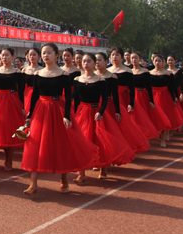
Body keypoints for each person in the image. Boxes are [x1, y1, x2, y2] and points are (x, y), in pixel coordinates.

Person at [21, 43, 99, 195]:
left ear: (56, 55)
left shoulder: (63, 74)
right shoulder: (38, 74)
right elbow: (35, 96)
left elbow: (68, 97)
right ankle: (33, 184)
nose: (46, 55)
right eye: (44, 53)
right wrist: (30, 115)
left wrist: (67, 115)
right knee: (35, 144)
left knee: (61, 144)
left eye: (49, 53)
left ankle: (64, 180)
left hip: (58, 110)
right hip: (41, 110)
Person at [72, 53, 135, 185]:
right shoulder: (77, 80)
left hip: (97, 112)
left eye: (89, 61)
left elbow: (106, 98)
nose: (86, 63)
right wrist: (72, 115)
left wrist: (101, 112)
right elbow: (76, 100)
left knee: (100, 140)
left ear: (94, 63)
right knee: (82, 141)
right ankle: (81, 174)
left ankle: (103, 167)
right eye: (84, 61)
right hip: (82, 113)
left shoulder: (101, 81)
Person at [102, 50, 150, 155]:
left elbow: (131, 89)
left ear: (122, 57)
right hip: (110, 100)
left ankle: (127, 146)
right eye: (113, 55)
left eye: (117, 55)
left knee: (124, 124)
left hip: (124, 97)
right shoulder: (107, 71)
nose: (114, 57)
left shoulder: (127, 71)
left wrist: (131, 103)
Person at [0, 47, 25, 172]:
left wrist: (23, 106)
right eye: (2, 55)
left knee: (11, 130)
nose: (4, 57)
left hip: (12, 101)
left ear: (13, 57)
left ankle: (9, 159)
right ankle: (5, 155)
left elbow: (21, 91)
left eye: (7, 55)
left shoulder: (17, 72)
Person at [131, 52, 171, 146]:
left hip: (144, 97)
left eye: (136, 58)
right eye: (132, 58)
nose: (134, 60)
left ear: (140, 59)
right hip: (132, 96)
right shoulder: (129, 71)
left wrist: (151, 100)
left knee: (152, 118)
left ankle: (162, 138)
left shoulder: (145, 72)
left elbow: (149, 86)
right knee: (134, 120)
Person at [150, 53, 183, 146]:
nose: (157, 62)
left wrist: (174, 98)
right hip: (153, 96)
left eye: (159, 61)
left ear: (163, 62)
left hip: (164, 96)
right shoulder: (149, 73)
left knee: (165, 117)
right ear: (153, 62)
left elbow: (171, 87)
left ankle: (163, 139)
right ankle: (158, 135)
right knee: (155, 117)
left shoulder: (168, 74)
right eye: (156, 61)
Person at [22, 48, 42, 114]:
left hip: (39, 94)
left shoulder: (42, 70)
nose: (32, 57)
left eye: (34, 55)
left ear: (39, 56)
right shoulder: (24, 70)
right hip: (27, 94)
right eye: (30, 55)